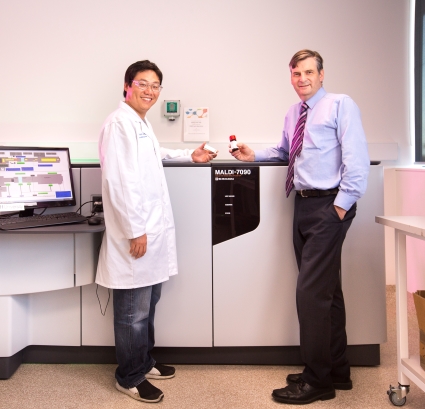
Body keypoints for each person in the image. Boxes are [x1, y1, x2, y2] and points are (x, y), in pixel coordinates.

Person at [230, 49, 369, 405]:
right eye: (296, 73)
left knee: (310, 296)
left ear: (322, 74)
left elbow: (357, 161)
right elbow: (283, 152)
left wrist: (339, 208)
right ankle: (337, 369)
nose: (302, 79)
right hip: (302, 204)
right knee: (327, 293)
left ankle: (317, 379)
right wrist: (252, 155)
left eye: (308, 72)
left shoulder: (341, 105)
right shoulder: (295, 113)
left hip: (329, 206)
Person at [97, 60, 216, 403]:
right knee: (133, 310)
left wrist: (189, 156)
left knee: (147, 305)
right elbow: (119, 182)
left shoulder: (140, 124)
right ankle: (128, 376)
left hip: (151, 233)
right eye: (142, 84)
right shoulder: (119, 123)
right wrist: (135, 230)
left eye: (155, 86)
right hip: (136, 234)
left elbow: (154, 155)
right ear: (127, 86)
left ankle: (144, 361)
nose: (149, 91)